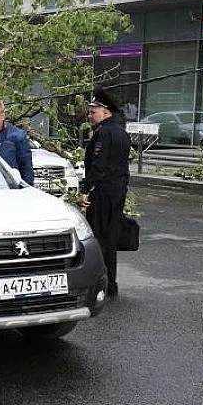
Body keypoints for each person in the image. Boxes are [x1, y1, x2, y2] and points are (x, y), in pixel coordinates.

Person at [80, 87, 131, 299]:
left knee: (99, 239)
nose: (89, 116)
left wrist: (85, 190)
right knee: (110, 239)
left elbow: (99, 166)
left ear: (105, 112)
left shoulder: (104, 133)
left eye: (93, 112)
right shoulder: (121, 132)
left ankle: (100, 284)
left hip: (103, 193)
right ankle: (111, 284)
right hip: (117, 192)